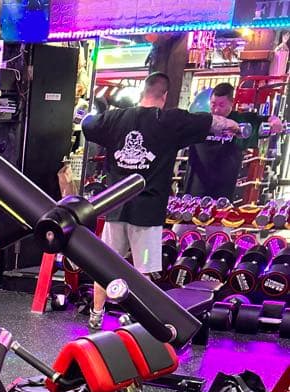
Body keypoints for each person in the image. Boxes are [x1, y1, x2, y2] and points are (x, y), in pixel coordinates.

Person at [81, 71, 240, 331]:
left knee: (106, 265)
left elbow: (87, 123)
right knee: (142, 272)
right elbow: (215, 123)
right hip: (147, 212)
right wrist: (235, 126)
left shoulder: (116, 118)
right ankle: (135, 318)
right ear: (164, 96)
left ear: (143, 91)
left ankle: (96, 313)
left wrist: (87, 114)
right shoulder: (170, 120)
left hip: (116, 209)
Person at [185, 82, 283, 201]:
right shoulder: (202, 119)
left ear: (231, 103)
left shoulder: (240, 120)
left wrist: (274, 121)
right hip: (194, 189)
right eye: (213, 104)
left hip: (222, 193)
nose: (216, 109)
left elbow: (267, 121)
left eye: (221, 105)